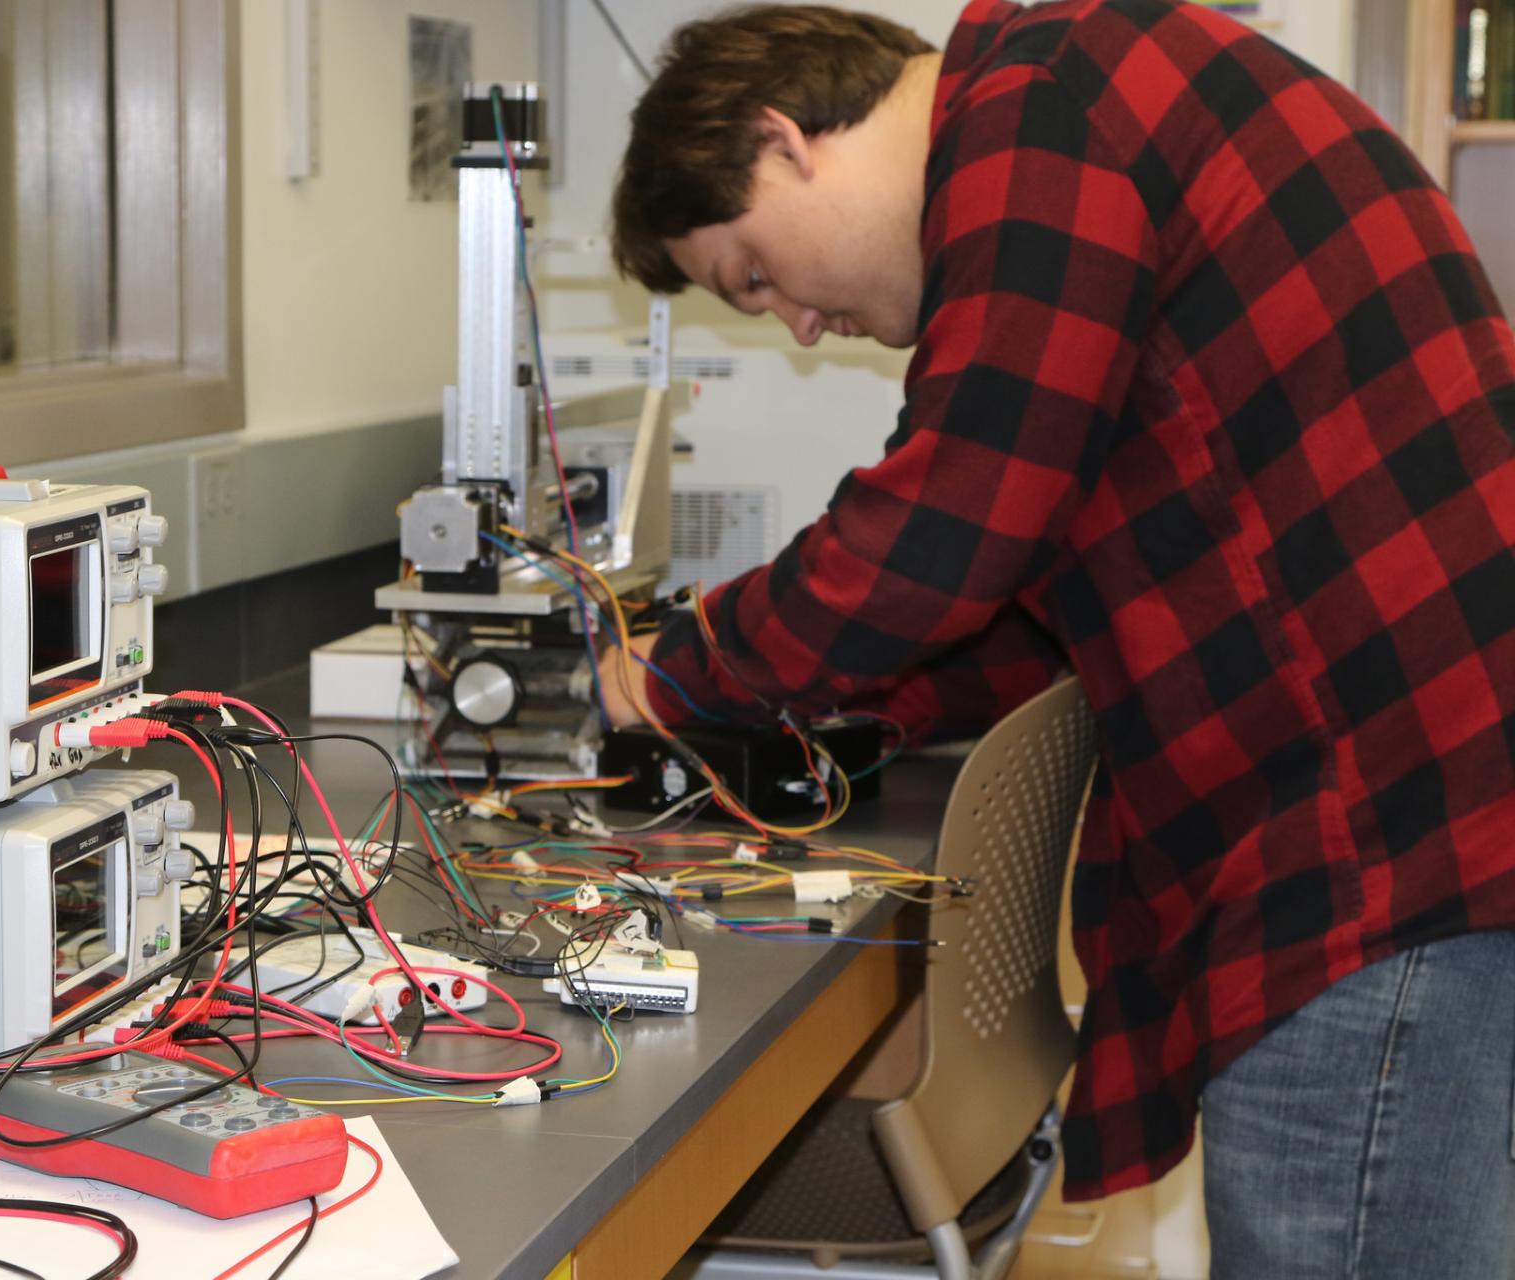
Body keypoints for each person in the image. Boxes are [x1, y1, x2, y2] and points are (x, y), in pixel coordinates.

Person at [604, 3, 1515, 1275]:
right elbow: (1038, 603)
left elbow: (948, 521)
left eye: (754, 275)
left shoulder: (1045, 106)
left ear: (784, 141)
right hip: (1400, 816)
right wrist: (850, 716)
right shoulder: (1076, 110)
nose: (798, 324)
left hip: (1380, 842)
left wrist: (681, 665)